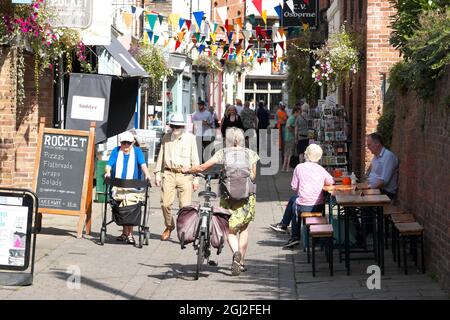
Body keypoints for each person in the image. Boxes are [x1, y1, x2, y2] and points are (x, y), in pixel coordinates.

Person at [182, 127, 260, 276]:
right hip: (247, 197)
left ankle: (235, 252)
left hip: (228, 197)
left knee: (230, 230)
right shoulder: (251, 154)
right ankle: (241, 262)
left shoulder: (223, 153)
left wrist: (189, 170)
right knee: (243, 229)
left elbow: (203, 167)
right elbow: (253, 176)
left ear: (227, 140)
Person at [154, 114, 200, 241]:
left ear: (182, 126)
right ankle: (169, 226)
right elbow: (161, 156)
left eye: (178, 126)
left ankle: (184, 231)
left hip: (185, 175)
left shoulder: (190, 138)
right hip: (168, 173)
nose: (175, 128)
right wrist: (157, 173)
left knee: (185, 207)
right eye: (173, 126)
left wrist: (196, 179)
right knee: (165, 204)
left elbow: (195, 159)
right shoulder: (166, 138)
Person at [104, 131, 151, 245]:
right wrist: (108, 172)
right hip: (119, 186)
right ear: (120, 143)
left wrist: (147, 174)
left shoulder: (137, 151)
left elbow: (143, 165)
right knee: (123, 204)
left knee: (129, 204)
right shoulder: (116, 151)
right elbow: (108, 164)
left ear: (133, 143)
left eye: (128, 143)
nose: (125, 145)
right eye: (123, 143)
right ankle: (126, 233)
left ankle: (129, 234)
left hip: (133, 187)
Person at [285, 144, 334, 247]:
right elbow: (331, 181)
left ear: (305, 155)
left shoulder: (299, 167)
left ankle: (294, 235)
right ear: (319, 157)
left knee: (295, 204)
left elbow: (294, 187)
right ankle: (284, 226)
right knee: (294, 201)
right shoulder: (321, 169)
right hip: (318, 206)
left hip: (303, 207)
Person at [366, 132, 399, 199]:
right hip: (375, 189)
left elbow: (383, 181)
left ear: (377, 144)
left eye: (369, 145)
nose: (368, 148)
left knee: (359, 198)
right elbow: (369, 172)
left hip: (385, 192)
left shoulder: (388, 156)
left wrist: (369, 189)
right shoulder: (376, 156)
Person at [282, 107, 299, 172]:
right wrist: (294, 133)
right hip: (290, 137)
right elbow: (289, 126)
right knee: (290, 153)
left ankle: (284, 167)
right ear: (296, 112)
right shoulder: (292, 118)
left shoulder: (290, 118)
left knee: (286, 153)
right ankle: (287, 167)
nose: (299, 115)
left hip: (287, 137)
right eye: (298, 113)